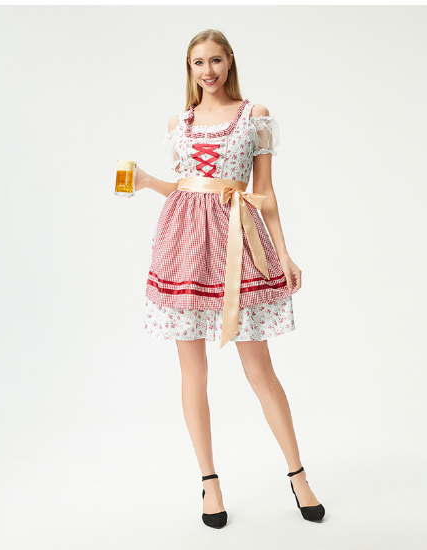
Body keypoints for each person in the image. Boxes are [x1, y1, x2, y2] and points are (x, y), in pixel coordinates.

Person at [134, 29, 325, 528]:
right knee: (192, 371)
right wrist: (148, 182)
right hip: (183, 246)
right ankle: (210, 482)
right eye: (198, 62)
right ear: (190, 68)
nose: (208, 71)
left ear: (229, 61)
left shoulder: (254, 115)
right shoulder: (180, 122)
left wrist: (285, 254)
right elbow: (187, 187)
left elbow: (265, 193)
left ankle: (298, 474)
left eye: (215, 60)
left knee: (259, 368)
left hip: (239, 240)